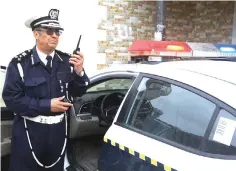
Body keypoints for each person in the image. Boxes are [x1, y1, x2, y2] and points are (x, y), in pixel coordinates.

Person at [2, 8, 90, 171]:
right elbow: (12, 99)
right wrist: (46, 105)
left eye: (58, 31)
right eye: (49, 31)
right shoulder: (20, 64)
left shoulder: (65, 61)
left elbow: (78, 92)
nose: (55, 35)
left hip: (58, 132)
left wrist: (79, 71)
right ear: (36, 34)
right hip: (30, 132)